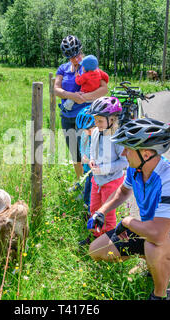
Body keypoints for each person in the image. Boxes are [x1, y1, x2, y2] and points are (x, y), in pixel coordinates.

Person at [87, 118, 170, 300]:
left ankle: (159, 295)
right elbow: (123, 192)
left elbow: (158, 234)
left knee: (154, 246)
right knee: (96, 251)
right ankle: (153, 263)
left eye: (128, 149)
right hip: (154, 229)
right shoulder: (136, 168)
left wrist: (127, 222)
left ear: (146, 153)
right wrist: (101, 211)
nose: (124, 153)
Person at [54, 35, 108, 179]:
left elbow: (104, 89)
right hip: (67, 117)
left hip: (85, 117)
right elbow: (56, 89)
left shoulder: (90, 66)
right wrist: (72, 96)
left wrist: (84, 98)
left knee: (87, 153)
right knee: (74, 153)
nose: (75, 59)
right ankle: (80, 182)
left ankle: (90, 184)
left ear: (81, 51)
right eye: (71, 57)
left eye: (77, 55)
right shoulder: (63, 69)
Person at [85, 97, 128, 240]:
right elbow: (92, 148)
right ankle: (95, 237)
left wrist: (103, 169)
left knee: (107, 214)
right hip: (97, 179)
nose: (96, 124)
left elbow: (124, 162)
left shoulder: (118, 137)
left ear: (112, 119)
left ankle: (107, 243)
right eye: (95, 120)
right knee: (94, 210)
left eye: (100, 121)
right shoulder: (97, 131)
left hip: (111, 181)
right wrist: (92, 159)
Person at [75, 106, 95, 213]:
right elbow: (82, 148)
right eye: (83, 130)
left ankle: (92, 209)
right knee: (87, 186)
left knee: (93, 190)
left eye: (88, 129)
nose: (86, 132)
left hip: (96, 171)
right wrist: (83, 157)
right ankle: (86, 205)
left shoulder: (99, 136)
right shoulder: (84, 134)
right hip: (87, 168)